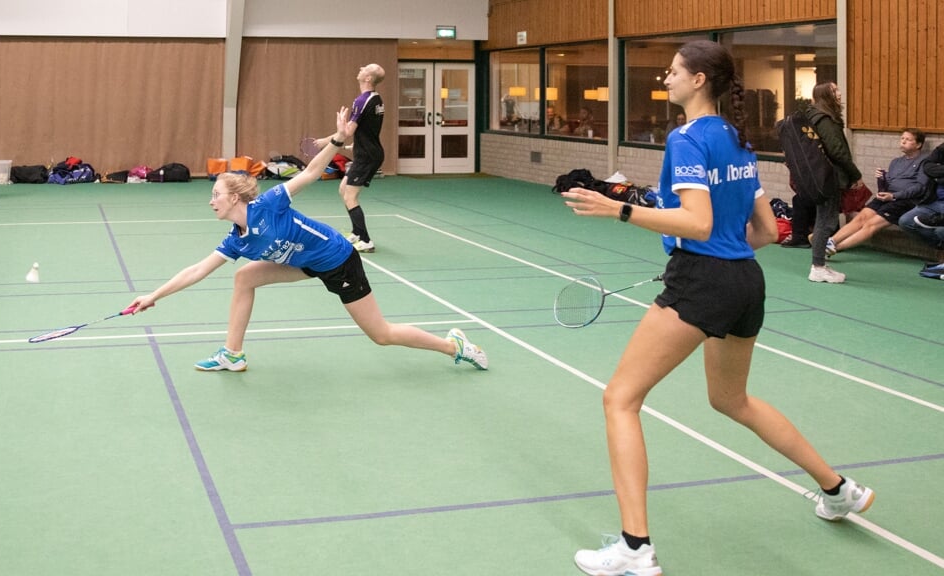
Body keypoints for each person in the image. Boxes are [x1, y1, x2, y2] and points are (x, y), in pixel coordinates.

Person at [560, 41, 874, 576]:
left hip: (704, 281)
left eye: (675, 70)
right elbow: (763, 233)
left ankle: (635, 549)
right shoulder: (735, 138)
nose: (667, 76)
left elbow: (699, 224)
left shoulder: (685, 139)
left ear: (700, 80)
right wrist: (721, 263)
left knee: (620, 399)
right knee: (732, 400)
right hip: (744, 282)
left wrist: (620, 210)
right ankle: (838, 489)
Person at [127, 107, 487, 373]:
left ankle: (453, 345)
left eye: (216, 194)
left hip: (338, 260)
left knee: (381, 334)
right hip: (304, 262)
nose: (211, 201)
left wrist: (337, 140)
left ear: (235, 197)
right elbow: (196, 271)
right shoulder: (237, 239)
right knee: (243, 277)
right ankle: (233, 354)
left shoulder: (270, 204)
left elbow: (313, 171)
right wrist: (153, 296)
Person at [824, 129, 929, 260]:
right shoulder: (896, 162)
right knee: (861, 217)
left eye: (908, 140)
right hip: (888, 196)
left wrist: (895, 196)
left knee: (871, 224)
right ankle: (831, 241)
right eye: (902, 138)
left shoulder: (925, 161)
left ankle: (836, 248)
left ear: (918, 145)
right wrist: (881, 179)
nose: (903, 141)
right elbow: (886, 186)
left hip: (905, 201)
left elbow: (920, 187)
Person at [315, 63, 386, 253]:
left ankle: (366, 240)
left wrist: (325, 141)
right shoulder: (377, 99)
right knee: (343, 189)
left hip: (367, 156)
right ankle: (356, 232)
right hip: (368, 151)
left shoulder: (362, 101)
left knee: (350, 196)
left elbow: (347, 131)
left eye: (366, 68)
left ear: (368, 78)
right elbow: (367, 128)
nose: (361, 68)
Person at [803, 82, 863, 283]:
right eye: (835, 91)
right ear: (826, 95)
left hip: (818, 175)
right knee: (826, 221)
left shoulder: (812, 116)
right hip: (829, 177)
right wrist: (854, 174)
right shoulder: (825, 119)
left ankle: (819, 264)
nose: (839, 94)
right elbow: (838, 151)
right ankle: (818, 266)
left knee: (825, 219)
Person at [898, 141, 944, 269]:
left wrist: (939, 176)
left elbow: (935, 172)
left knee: (941, 230)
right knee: (906, 221)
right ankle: (940, 245)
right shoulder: (942, 148)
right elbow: (927, 166)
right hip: (933, 201)